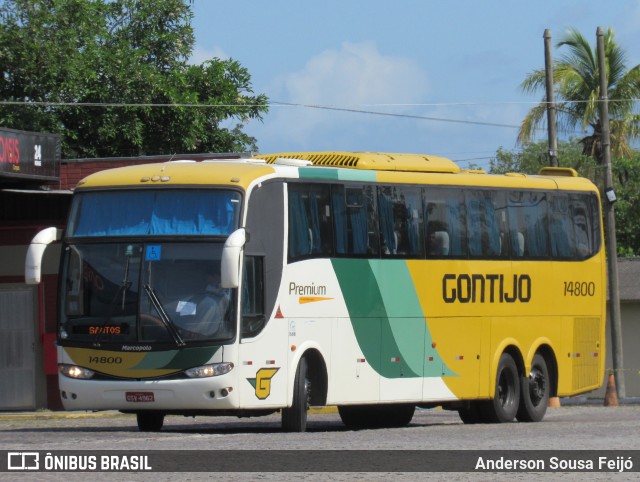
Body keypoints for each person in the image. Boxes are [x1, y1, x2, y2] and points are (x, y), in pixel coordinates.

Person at [176, 272, 231, 338]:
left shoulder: (229, 294)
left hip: (213, 336)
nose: (207, 279)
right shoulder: (197, 296)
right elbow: (183, 315)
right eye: (206, 278)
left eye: (210, 276)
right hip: (193, 335)